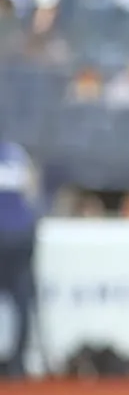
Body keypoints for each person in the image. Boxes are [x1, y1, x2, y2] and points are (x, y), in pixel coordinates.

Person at [0, 132, 40, 379]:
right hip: (22, 234)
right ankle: (18, 365)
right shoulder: (17, 152)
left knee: (21, 300)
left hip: (6, 234)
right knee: (21, 301)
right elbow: (32, 191)